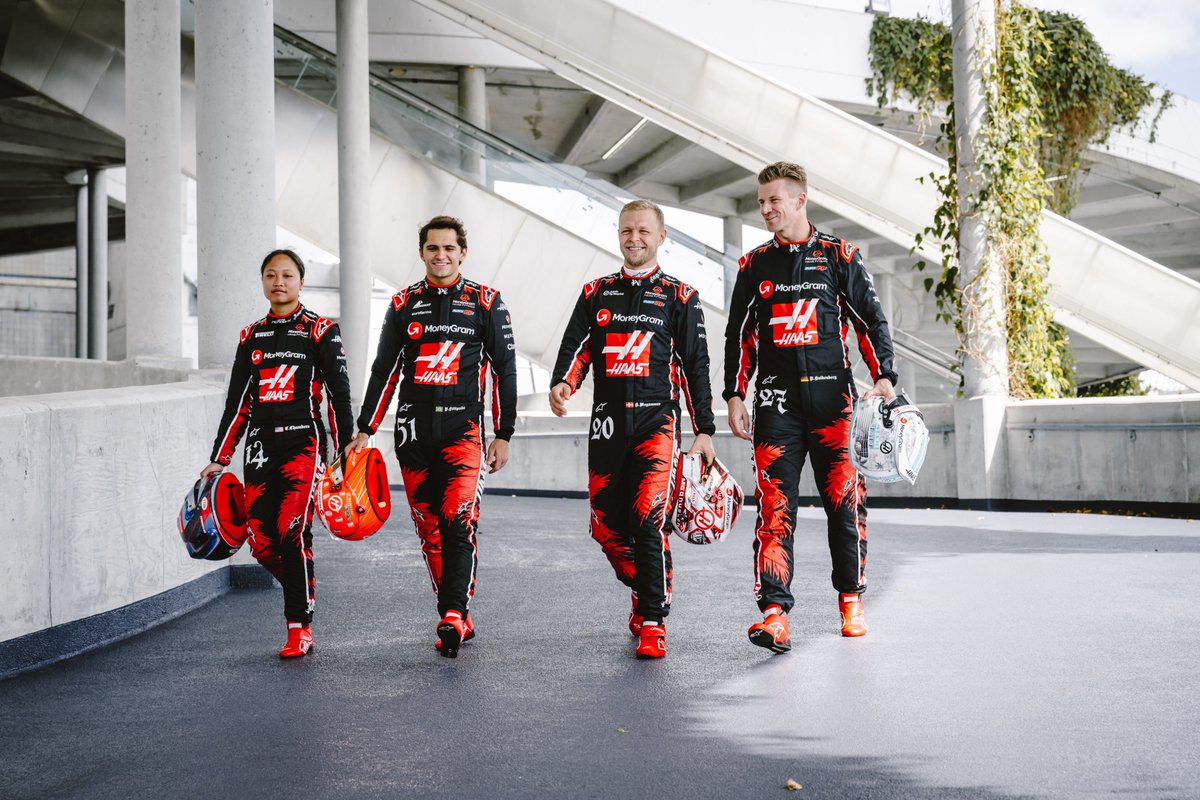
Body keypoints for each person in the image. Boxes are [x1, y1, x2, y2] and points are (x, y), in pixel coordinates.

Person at [724, 161, 898, 652]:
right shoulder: (753, 264)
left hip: (834, 409)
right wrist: (735, 394)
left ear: (801, 200)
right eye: (761, 202)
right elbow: (737, 337)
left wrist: (884, 375)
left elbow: (872, 322)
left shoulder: (840, 255)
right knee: (775, 510)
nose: (766, 209)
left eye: (775, 200)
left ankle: (851, 601)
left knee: (845, 506)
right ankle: (775, 614)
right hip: (777, 408)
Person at [549, 199, 716, 660]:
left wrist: (704, 427)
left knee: (648, 520)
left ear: (662, 237)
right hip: (606, 423)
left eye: (644, 231)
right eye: (627, 231)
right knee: (605, 527)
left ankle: (652, 618)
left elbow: (695, 367)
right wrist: (564, 382)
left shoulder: (681, 297)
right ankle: (649, 582)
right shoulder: (595, 293)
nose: (634, 238)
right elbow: (577, 348)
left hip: (656, 424)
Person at [347, 216, 516, 659]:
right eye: (432, 248)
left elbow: (504, 372)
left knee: (457, 520)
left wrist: (504, 433)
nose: (441, 255)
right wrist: (365, 429)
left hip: (464, 432)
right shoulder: (403, 303)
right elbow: (383, 370)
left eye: (449, 247)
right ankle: (458, 609)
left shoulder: (487, 302)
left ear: (463, 251)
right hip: (412, 432)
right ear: (421, 252)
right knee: (430, 530)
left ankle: (452, 614)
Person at [200, 248, 354, 659]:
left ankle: (298, 627)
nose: (279, 282)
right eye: (271, 275)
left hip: (304, 443)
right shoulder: (251, 336)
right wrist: (220, 456)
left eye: (287, 275)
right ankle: (304, 590)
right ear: (264, 282)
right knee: (263, 543)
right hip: (259, 447)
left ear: (301, 282)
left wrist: (342, 456)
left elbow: (340, 397)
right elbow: (237, 405)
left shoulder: (321, 331)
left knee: (290, 528)